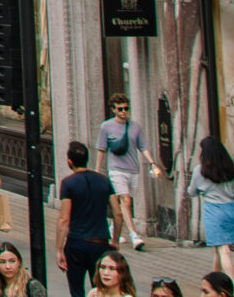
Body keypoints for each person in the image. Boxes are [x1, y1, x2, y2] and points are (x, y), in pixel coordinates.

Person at [96, 96, 161, 251]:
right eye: (120, 109)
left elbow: (143, 146)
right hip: (116, 170)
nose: (124, 112)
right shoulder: (106, 127)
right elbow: (101, 149)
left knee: (127, 202)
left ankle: (113, 228)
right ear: (113, 109)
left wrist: (152, 162)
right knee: (126, 201)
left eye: (126, 108)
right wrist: (98, 170)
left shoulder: (135, 127)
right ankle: (134, 236)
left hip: (133, 169)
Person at [60, 139, 118, 297]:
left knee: (77, 289)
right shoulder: (104, 180)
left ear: (69, 162)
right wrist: (116, 240)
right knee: (101, 287)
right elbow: (118, 213)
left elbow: (64, 219)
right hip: (100, 242)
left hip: (76, 242)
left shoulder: (68, 183)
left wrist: (59, 249)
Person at [187, 139, 234, 276]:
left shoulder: (200, 170)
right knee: (219, 248)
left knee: (223, 249)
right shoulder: (230, 167)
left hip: (213, 211)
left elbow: (191, 192)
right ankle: (214, 281)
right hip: (230, 210)